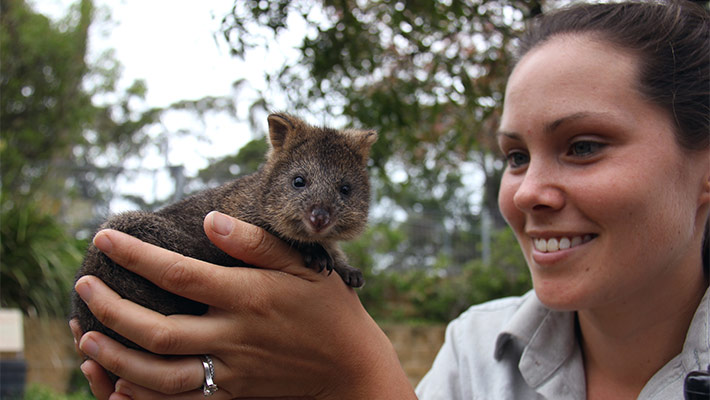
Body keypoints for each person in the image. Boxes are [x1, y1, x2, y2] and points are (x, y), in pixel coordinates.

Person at [70, 0, 709, 398]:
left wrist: (355, 375)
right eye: (514, 156)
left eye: (585, 146)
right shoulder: (478, 350)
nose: (530, 194)